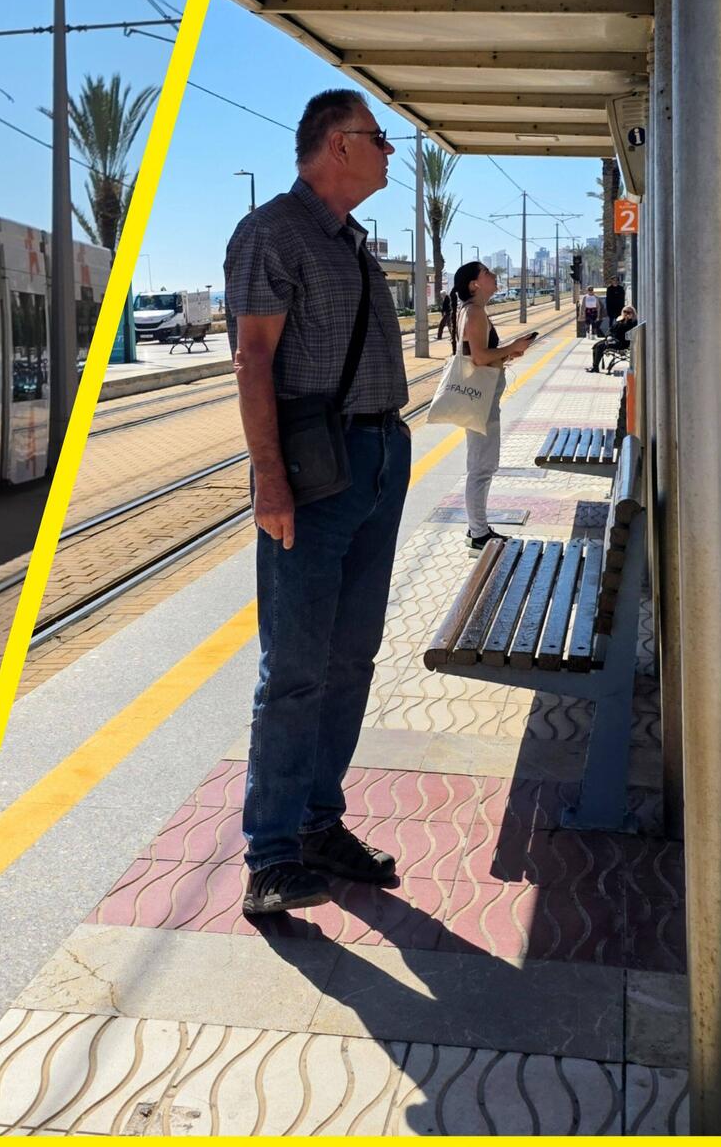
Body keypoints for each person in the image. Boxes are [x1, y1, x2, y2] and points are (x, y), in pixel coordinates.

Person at [223, 88, 409, 916]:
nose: (389, 151)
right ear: (339, 144)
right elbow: (252, 359)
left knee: (351, 657)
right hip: (314, 475)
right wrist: (269, 478)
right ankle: (270, 855)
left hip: (378, 460)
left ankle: (317, 821)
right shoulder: (273, 232)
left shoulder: (352, 241)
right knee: (295, 667)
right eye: (379, 137)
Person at [448, 261, 534, 549]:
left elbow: (481, 354)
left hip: (483, 399)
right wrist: (512, 347)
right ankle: (478, 534)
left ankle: (477, 529)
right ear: (474, 284)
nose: (493, 275)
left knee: (481, 464)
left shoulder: (472, 310)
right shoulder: (474, 312)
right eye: (486, 273)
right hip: (481, 401)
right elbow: (480, 358)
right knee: (482, 468)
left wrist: (507, 354)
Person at [589, 304, 637, 372]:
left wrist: (627, 320)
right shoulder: (620, 320)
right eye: (624, 311)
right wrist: (609, 336)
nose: (626, 314)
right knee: (596, 346)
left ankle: (595, 367)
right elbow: (611, 329)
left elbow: (623, 331)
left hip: (621, 342)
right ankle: (595, 367)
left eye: (628, 312)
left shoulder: (633, 322)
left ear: (632, 314)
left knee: (600, 346)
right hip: (613, 340)